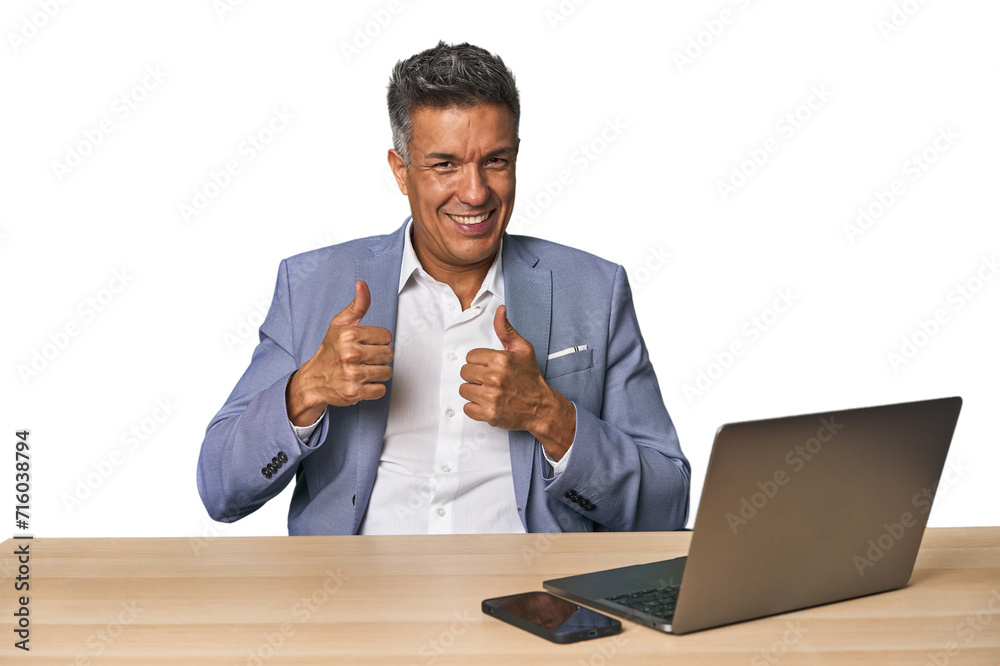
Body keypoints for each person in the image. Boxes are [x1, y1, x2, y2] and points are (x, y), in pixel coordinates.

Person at [197, 41, 689, 536]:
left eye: (495, 161)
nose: (475, 193)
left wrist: (551, 416)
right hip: (354, 598)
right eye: (445, 165)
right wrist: (306, 391)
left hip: (531, 601)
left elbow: (667, 506)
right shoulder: (311, 286)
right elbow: (220, 489)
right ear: (400, 170)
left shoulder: (594, 290)